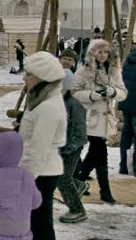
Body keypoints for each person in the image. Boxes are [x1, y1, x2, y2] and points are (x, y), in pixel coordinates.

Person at [17, 51, 66, 240]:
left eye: (29, 74)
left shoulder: (48, 107)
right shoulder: (41, 100)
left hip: (41, 173)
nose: (25, 78)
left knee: (39, 230)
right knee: (34, 228)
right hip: (39, 171)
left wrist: (25, 180)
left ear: (43, 78)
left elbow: (38, 148)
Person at [73, 39, 126, 203]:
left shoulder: (114, 71)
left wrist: (114, 91)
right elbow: (73, 92)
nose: (102, 55)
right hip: (89, 117)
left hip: (106, 118)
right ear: (92, 53)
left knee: (95, 154)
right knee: (101, 153)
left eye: (105, 52)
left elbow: (123, 92)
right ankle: (105, 192)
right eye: (99, 52)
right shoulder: (83, 71)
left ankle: (80, 180)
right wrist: (90, 95)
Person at [58, 69, 88, 223]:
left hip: (72, 147)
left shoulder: (74, 104)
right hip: (60, 146)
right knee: (57, 175)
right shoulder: (56, 101)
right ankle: (78, 185)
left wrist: (71, 147)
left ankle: (77, 209)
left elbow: (80, 130)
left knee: (63, 178)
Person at [117, 45, 136, 175]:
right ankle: (135, 167)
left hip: (126, 103)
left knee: (126, 134)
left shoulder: (128, 60)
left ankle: (123, 166)